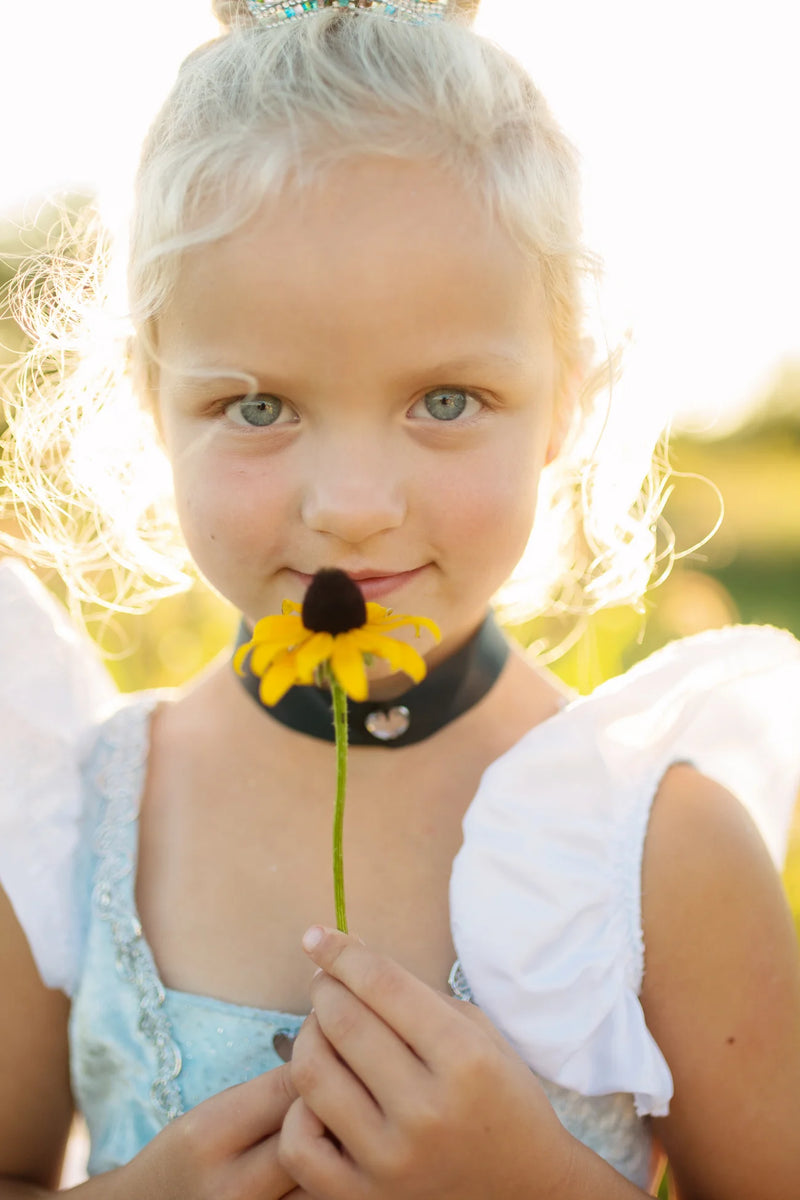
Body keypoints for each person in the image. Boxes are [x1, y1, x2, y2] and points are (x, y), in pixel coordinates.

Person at [1, 2, 799, 1197]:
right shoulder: (68, 814)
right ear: (149, 397)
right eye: (258, 406)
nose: (354, 503)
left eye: (445, 398)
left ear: (563, 399)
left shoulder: (657, 852)